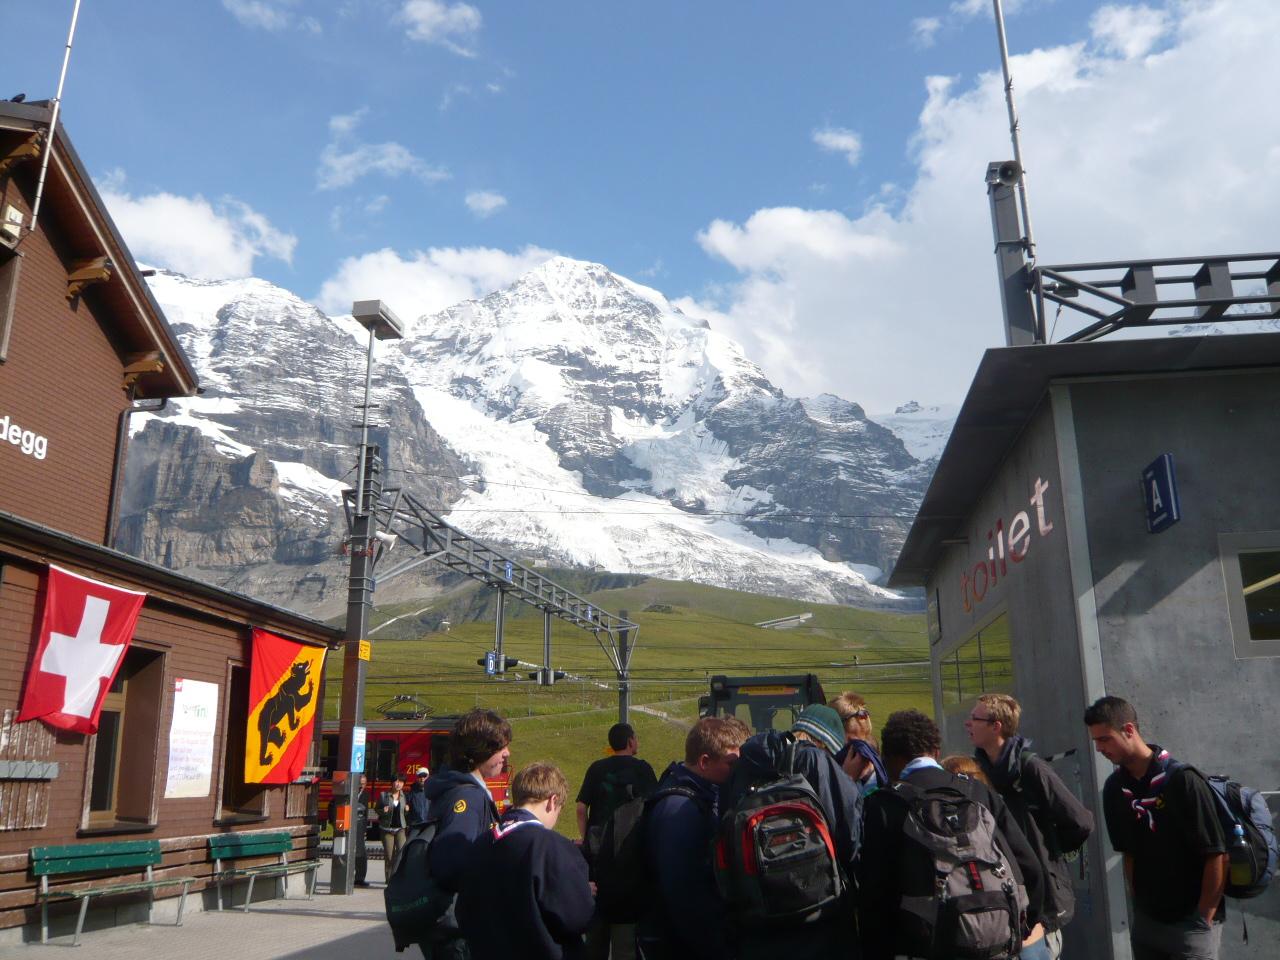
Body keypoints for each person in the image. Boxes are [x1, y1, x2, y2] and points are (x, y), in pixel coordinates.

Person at [858, 709, 1046, 960]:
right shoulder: (977, 791)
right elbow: (1030, 868)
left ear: (889, 758)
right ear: (936, 752)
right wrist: (1017, 928)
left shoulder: (885, 804)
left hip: (922, 948)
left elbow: (874, 896)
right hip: (996, 945)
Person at [1084, 696, 1227, 960]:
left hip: (1190, 924)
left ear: (1129, 730)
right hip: (1148, 923)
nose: (1099, 749)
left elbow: (1216, 853)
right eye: (1096, 741)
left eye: (1105, 739)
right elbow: (1128, 853)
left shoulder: (1183, 780)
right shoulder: (1115, 788)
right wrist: (1139, 907)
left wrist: (1203, 918)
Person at [721, 703, 863, 960]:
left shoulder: (744, 763)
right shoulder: (818, 762)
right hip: (818, 918)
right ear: (825, 742)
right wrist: (847, 781)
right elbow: (850, 840)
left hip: (757, 921)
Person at [969, 694, 1095, 959]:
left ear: (996, 726)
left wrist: (1050, 851)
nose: (968, 724)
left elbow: (1081, 822)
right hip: (1005, 892)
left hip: (1041, 897)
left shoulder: (1031, 768)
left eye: (975, 718)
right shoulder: (979, 771)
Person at [458, 761, 595, 960]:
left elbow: (463, 913)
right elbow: (577, 917)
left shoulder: (481, 843)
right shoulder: (551, 846)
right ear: (552, 801)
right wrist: (581, 891)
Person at [638, 716, 748, 960]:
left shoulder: (695, 797)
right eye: (731, 763)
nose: (735, 771)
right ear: (704, 762)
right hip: (681, 946)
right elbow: (683, 895)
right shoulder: (680, 811)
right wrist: (718, 949)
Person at [421, 708, 512, 960]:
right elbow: (453, 863)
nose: (507, 753)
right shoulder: (468, 797)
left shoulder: (453, 788)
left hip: (451, 926)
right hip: (462, 930)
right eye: (500, 747)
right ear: (479, 750)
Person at [577, 723, 657, 960]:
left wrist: (585, 839)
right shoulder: (643, 770)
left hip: (598, 859)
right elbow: (654, 807)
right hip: (630, 862)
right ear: (631, 742)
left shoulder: (596, 769)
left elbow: (581, 808)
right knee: (625, 945)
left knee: (595, 940)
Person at [379, 773, 411, 873]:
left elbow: (406, 814)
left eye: (401, 782)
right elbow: (377, 809)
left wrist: (407, 811)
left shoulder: (405, 796)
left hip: (401, 829)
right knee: (389, 857)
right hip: (387, 829)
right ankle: (389, 878)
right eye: (396, 781)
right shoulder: (384, 795)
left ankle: (399, 877)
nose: (398, 784)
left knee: (401, 853)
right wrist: (382, 811)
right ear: (392, 783)